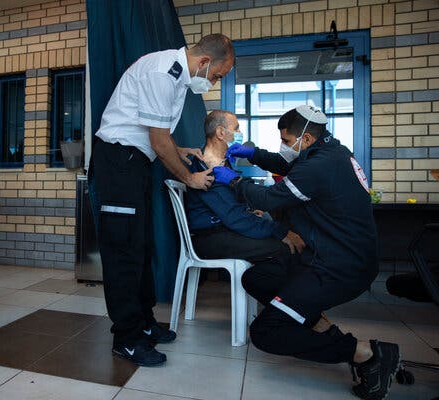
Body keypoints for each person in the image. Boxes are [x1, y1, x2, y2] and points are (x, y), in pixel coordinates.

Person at [212, 105, 401, 400]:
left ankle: (366, 354)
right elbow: (286, 164)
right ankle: (321, 325)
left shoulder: (320, 166)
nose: (284, 147)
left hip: (339, 268)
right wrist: (253, 154)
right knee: (257, 278)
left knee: (266, 332)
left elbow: (269, 198)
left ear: (307, 139)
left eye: (287, 141)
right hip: (325, 257)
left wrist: (234, 181)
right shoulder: (329, 152)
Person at [92, 34, 235, 366]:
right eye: (216, 76)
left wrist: (179, 151)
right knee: (123, 251)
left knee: (140, 248)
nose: (213, 83)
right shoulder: (163, 72)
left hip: (135, 162)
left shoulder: (176, 76)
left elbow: (158, 133)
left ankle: (143, 323)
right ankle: (126, 338)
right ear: (204, 62)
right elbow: (158, 140)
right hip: (118, 162)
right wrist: (189, 177)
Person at [185, 110, 305, 264]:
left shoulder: (222, 162)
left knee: (270, 225)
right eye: (236, 128)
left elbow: (229, 206)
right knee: (285, 247)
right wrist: (282, 232)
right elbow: (234, 216)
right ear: (221, 132)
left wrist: (248, 210)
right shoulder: (208, 167)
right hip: (210, 237)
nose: (239, 133)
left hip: (224, 228)